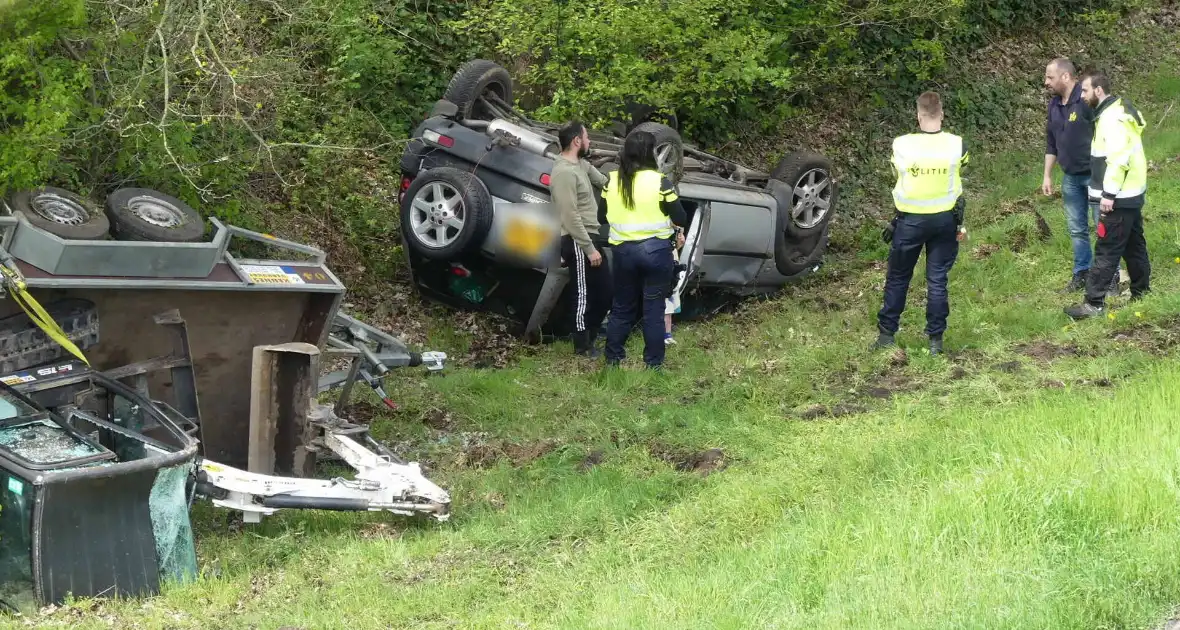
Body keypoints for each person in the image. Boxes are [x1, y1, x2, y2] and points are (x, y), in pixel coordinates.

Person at [873, 91, 968, 356]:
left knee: (898, 278)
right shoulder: (957, 144)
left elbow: (895, 173)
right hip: (945, 221)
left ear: (918, 116)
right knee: (937, 280)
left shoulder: (901, 145)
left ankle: (886, 336)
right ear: (942, 114)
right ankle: (935, 341)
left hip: (910, 222)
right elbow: (962, 167)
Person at [1064, 72, 1150, 319]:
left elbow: (1118, 159)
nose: (1081, 96)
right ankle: (1142, 291)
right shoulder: (1116, 111)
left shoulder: (1112, 119)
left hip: (1119, 196)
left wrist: (1108, 194)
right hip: (1131, 193)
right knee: (1134, 246)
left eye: (1085, 91)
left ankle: (1094, 304)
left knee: (1106, 249)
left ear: (1098, 91)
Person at [601, 130, 688, 369]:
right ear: (650, 153)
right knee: (653, 311)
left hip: (622, 253)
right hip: (655, 253)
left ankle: (612, 360)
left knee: (621, 308)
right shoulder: (659, 182)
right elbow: (680, 217)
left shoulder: (612, 180)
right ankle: (653, 364)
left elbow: (601, 216)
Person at [1042, 58, 1118, 295]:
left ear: (1065, 76)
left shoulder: (1086, 99)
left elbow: (1106, 131)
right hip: (1070, 178)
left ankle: (1110, 276)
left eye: (1050, 77)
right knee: (1077, 229)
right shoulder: (1054, 105)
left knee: (1102, 226)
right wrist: (1047, 175)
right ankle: (1082, 272)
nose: (1046, 82)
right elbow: (1051, 142)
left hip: (1094, 175)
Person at [551, 121, 611, 357]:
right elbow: (569, 214)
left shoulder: (580, 165)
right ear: (576, 140)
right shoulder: (564, 172)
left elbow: (604, 182)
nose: (589, 142)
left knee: (605, 290)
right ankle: (582, 346)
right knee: (583, 292)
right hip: (578, 240)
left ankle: (592, 336)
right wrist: (588, 248)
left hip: (591, 236)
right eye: (586, 138)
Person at [664, 226, 687, 345]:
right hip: (664, 262)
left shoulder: (674, 228)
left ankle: (667, 333)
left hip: (672, 262)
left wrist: (679, 243)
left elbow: (676, 247)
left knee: (670, 299)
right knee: (666, 300)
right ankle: (666, 334)